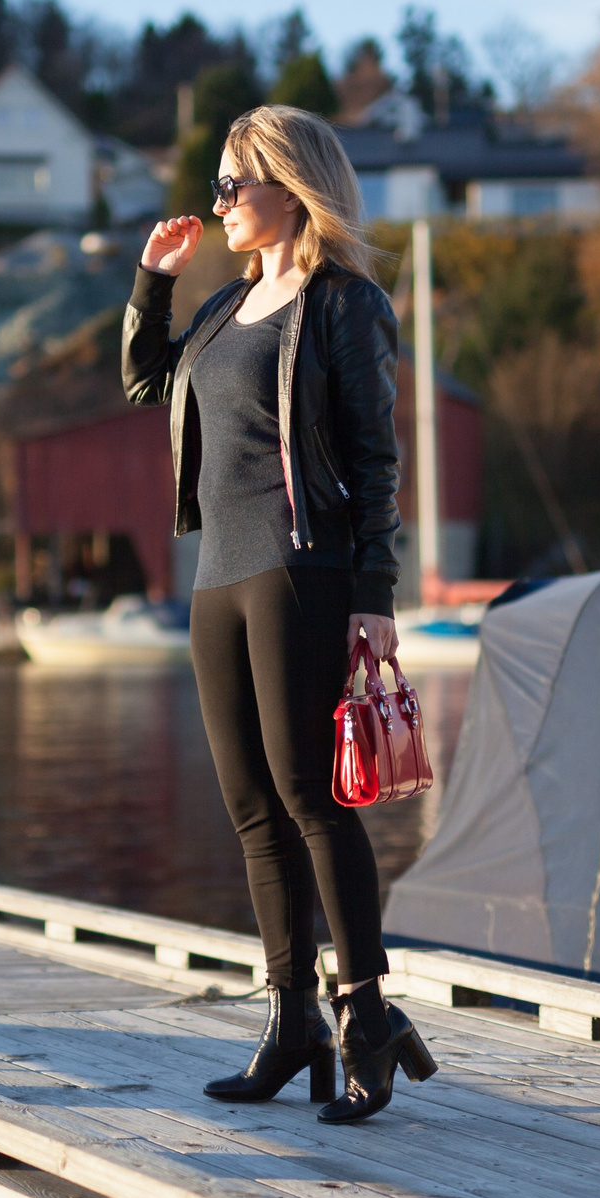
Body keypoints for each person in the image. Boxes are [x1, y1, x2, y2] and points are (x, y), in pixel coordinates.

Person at [123, 105, 436, 1124]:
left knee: (312, 797)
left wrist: (375, 598)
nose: (217, 203)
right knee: (252, 808)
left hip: (304, 568)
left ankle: (364, 1014)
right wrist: (153, 282)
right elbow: (144, 384)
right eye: (214, 185)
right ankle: (289, 1016)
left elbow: (377, 465)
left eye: (231, 185)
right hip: (219, 576)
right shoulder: (221, 310)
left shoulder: (344, 304)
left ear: (289, 188)